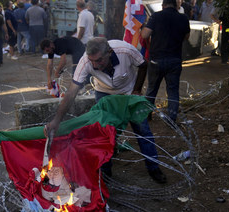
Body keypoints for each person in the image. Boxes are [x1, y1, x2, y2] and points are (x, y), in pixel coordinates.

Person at [45, 37, 167, 184]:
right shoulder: (85, 62)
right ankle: (106, 172)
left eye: (99, 60)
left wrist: (136, 89)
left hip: (128, 92)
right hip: (104, 93)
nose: (95, 65)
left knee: (142, 130)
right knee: (104, 132)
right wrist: (56, 120)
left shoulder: (125, 50)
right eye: (92, 61)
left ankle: (153, 168)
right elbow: (71, 92)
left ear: (109, 52)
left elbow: (143, 65)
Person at [141, 0, 190, 122]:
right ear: (176, 6)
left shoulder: (156, 16)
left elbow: (145, 35)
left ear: (163, 6)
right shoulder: (183, 18)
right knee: (173, 90)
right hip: (174, 59)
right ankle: (172, 118)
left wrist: (143, 28)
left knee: (152, 89)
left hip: (156, 60)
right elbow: (186, 37)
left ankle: (147, 116)